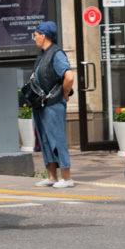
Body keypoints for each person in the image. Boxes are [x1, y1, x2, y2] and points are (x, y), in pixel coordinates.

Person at [29, 20, 75, 188]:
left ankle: (67, 178)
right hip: (41, 104)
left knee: (57, 138)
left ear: (43, 36)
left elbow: (69, 76)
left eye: (35, 36)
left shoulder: (56, 54)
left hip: (53, 103)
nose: (34, 39)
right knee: (45, 139)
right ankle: (51, 177)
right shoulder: (43, 53)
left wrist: (64, 95)